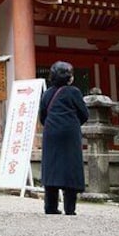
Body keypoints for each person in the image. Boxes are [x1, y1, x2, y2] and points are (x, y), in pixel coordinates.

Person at [38, 61, 88, 216]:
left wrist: (53, 125)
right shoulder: (74, 92)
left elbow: (42, 116)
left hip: (51, 133)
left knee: (51, 167)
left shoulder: (47, 94)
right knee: (70, 168)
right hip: (69, 134)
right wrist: (71, 123)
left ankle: (50, 207)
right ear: (69, 77)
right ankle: (70, 208)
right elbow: (84, 114)